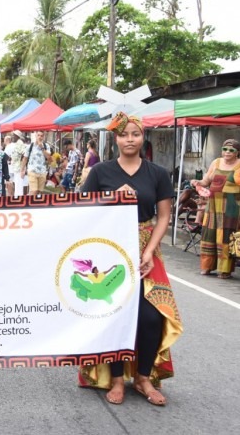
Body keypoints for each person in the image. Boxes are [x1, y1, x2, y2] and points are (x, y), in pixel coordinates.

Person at [78, 112, 182, 406]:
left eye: (135, 134)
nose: (130, 140)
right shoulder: (101, 172)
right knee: (115, 313)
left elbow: (163, 217)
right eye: (124, 135)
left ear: (143, 136)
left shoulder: (158, 174)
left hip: (147, 250)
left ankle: (144, 378)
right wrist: (112, 198)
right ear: (116, 138)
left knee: (151, 317)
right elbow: (85, 210)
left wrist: (149, 250)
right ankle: (115, 379)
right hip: (110, 251)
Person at [192, 139, 240, 278]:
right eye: (225, 149)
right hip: (212, 206)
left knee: (226, 237)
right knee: (209, 235)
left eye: (231, 150)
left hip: (231, 207)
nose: (227, 152)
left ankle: (224, 270)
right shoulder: (216, 162)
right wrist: (197, 182)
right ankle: (207, 267)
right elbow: (206, 181)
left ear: (237, 153)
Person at [20, 131, 52, 195]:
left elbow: (49, 158)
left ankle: (35, 204)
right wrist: (22, 170)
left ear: (43, 137)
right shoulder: (30, 146)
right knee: (34, 191)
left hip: (42, 171)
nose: (40, 137)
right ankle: (29, 204)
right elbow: (25, 158)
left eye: (41, 136)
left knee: (39, 192)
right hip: (32, 170)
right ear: (35, 136)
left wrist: (42, 148)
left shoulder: (46, 146)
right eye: (38, 135)